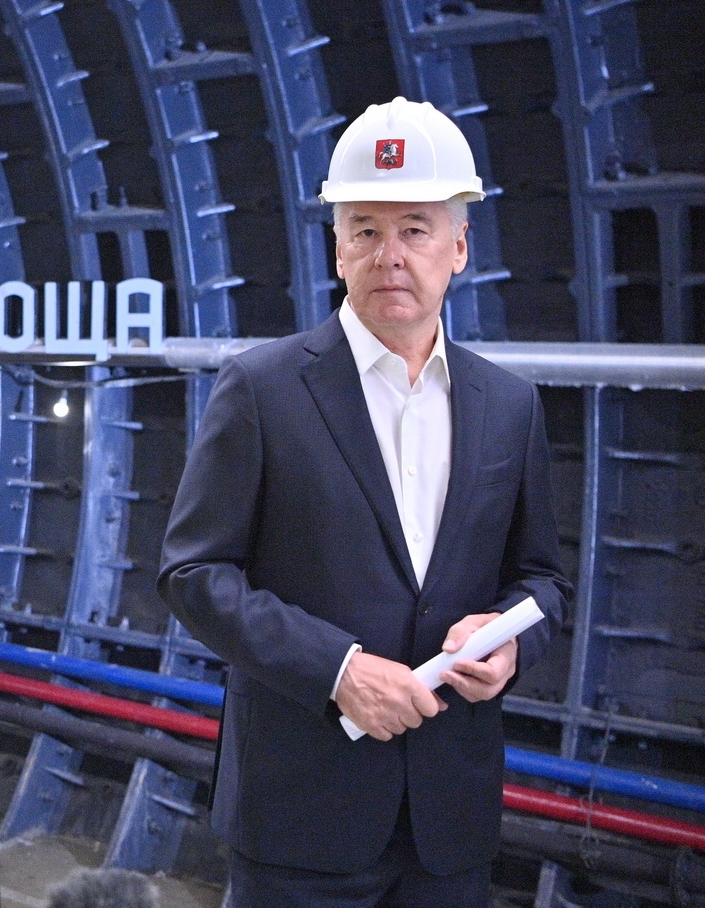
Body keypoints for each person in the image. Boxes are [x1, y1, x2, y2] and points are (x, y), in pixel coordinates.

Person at [158, 97, 572, 907]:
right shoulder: (263, 389)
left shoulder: (508, 405)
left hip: (448, 825)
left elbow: (543, 580)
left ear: (459, 247)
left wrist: (511, 643)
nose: (391, 255)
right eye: (366, 229)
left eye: (415, 228)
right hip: (299, 820)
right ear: (337, 247)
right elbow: (193, 571)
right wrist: (337, 669)